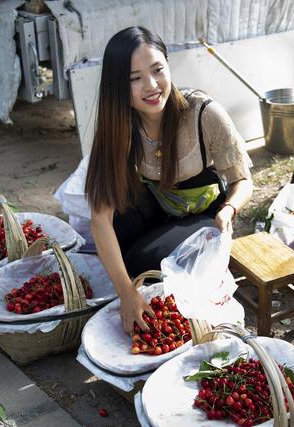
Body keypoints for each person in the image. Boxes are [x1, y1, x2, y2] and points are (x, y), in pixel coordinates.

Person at [85, 26, 253, 334]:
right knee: (114, 224)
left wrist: (227, 211)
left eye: (157, 70)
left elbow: (243, 180)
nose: (151, 86)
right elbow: (99, 218)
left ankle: (142, 276)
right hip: (159, 209)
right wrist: (125, 292)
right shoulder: (120, 126)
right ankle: (134, 284)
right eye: (134, 78)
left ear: (168, 65)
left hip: (204, 219)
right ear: (117, 87)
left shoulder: (203, 114)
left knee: (140, 264)